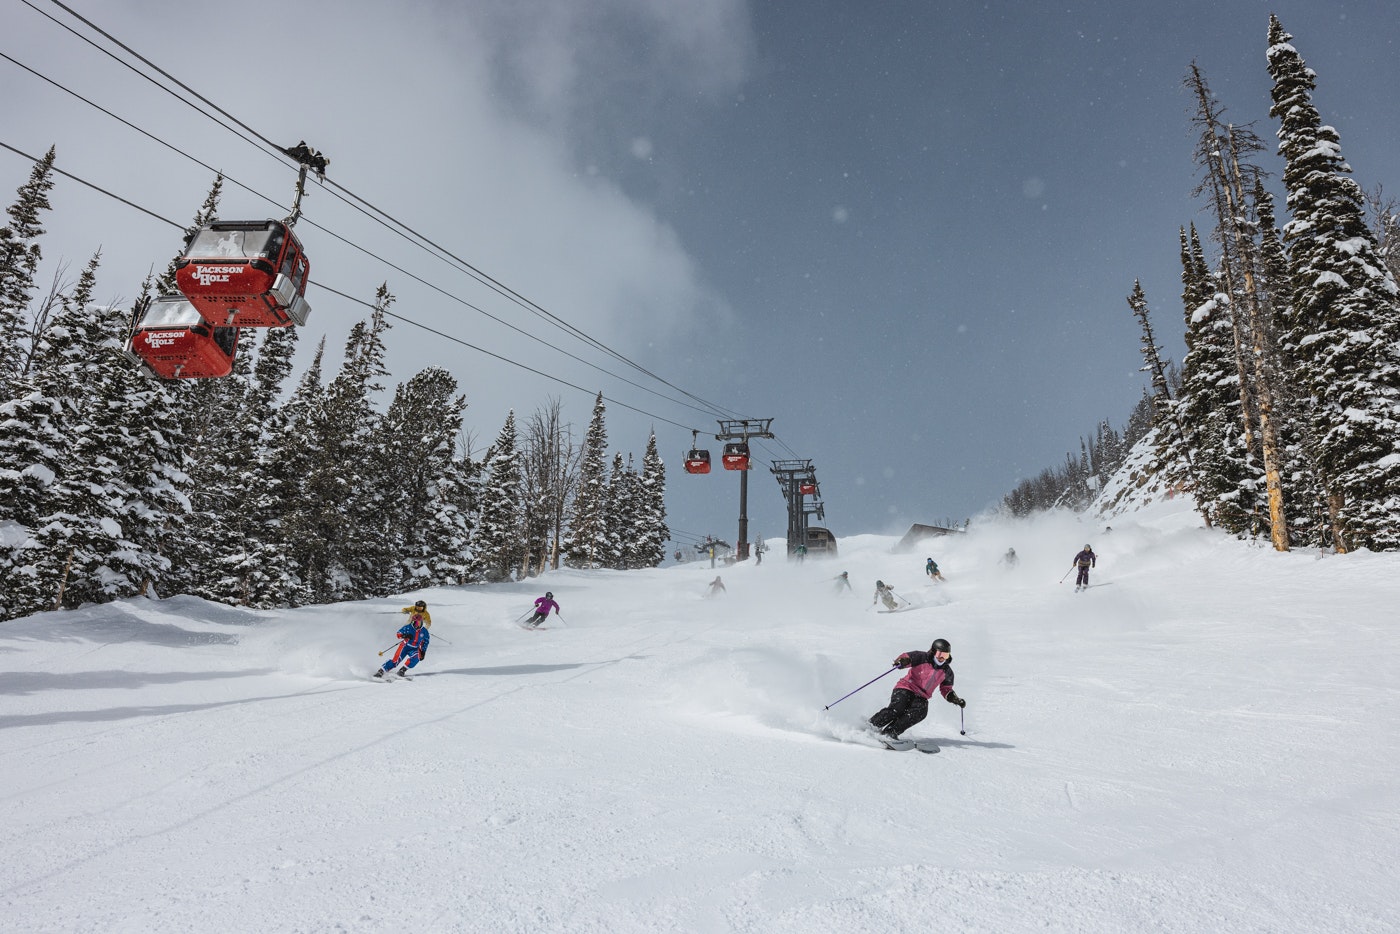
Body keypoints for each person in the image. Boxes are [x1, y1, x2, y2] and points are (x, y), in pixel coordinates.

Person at [868, 637, 965, 740]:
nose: (942, 658)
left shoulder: (947, 672)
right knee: (898, 708)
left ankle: (890, 733)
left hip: (922, 696)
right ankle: (872, 725)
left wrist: (954, 699)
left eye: (945, 655)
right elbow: (907, 657)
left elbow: (946, 689)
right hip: (906, 687)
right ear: (933, 651)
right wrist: (902, 661)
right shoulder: (922, 657)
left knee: (921, 711)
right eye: (939, 654)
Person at [375, 613, 430, 678]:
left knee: (416, 657)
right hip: (405, 646)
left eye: (419, 623)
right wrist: (405, 635)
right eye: (416, 623)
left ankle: (402, 670)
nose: (417, 625)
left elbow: (426, 641)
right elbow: (398, 633)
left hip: (414, 648)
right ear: (413, 622)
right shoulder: (408, 627)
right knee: (395, 661)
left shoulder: (424, 631)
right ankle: (381, 671)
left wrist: (423, 651)